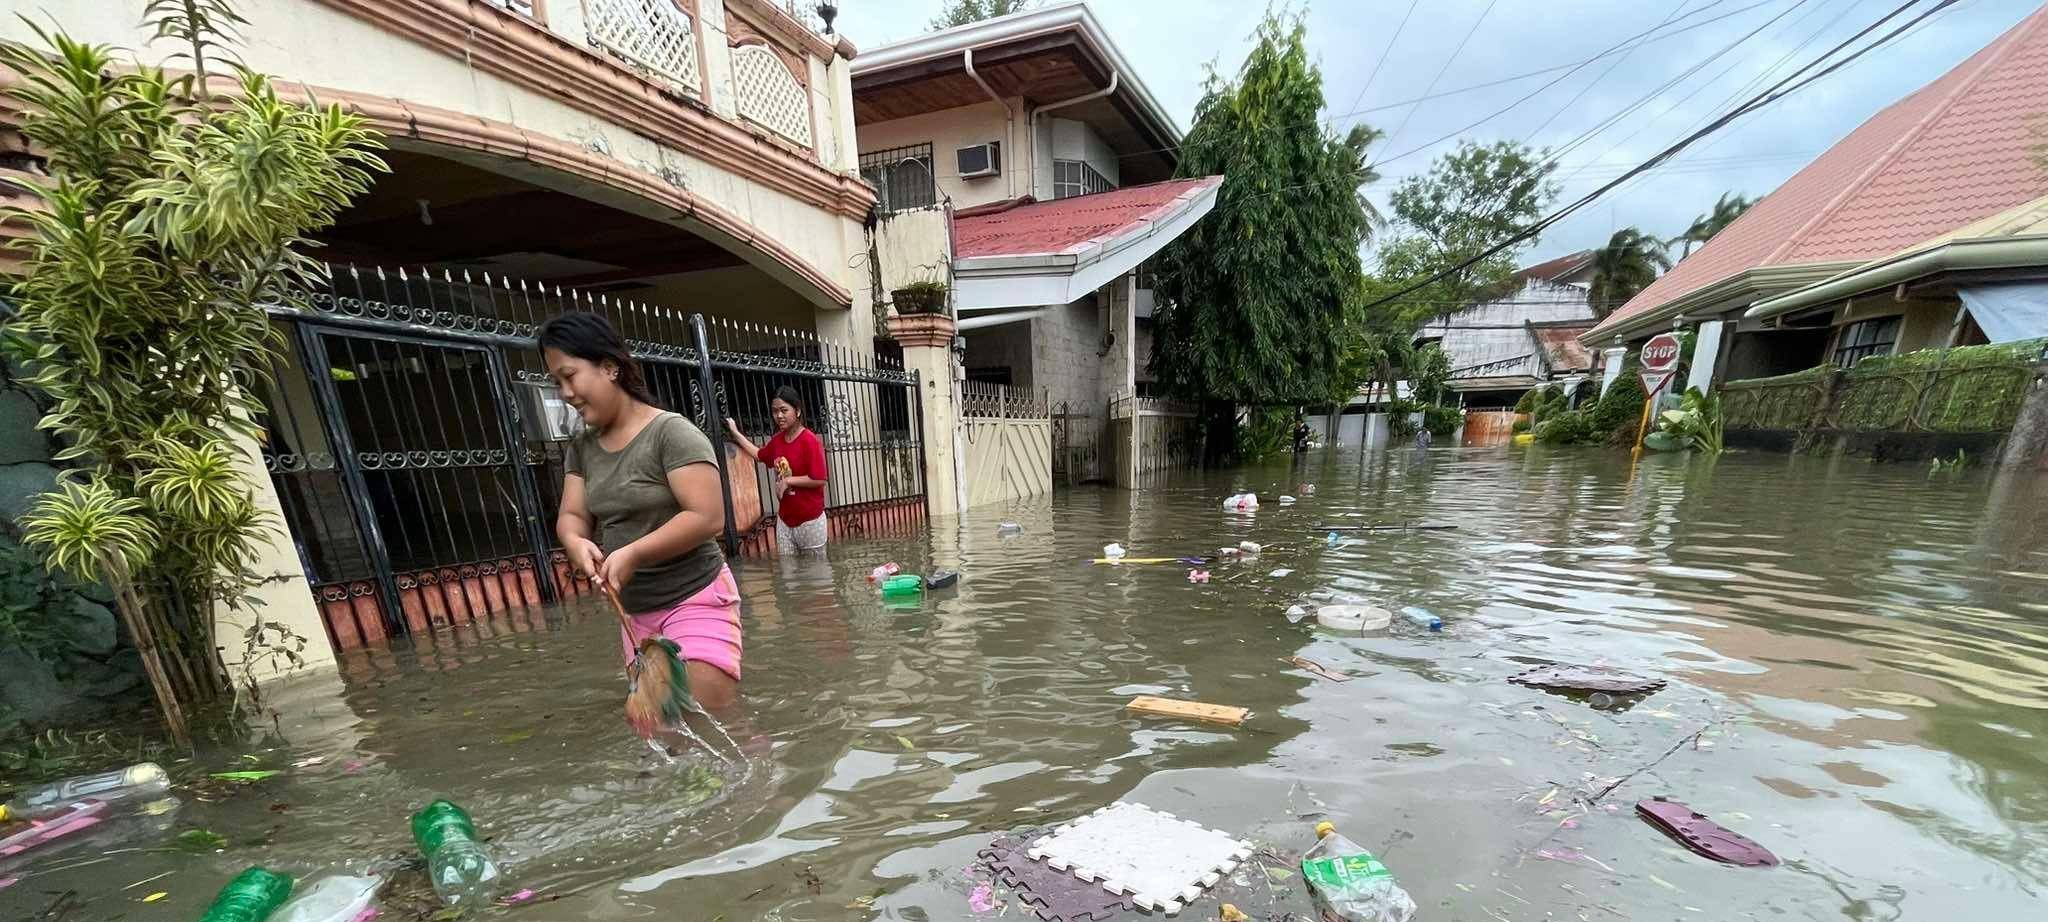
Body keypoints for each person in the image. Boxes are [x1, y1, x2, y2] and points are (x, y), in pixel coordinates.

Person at [542, 312, 741, 711]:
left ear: (610, 368)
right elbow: (573, 515)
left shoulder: (671, 433)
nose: (565, 392)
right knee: (661, 734)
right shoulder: (582, 448)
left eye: (570, 376)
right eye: (557, 382)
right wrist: (575, 542)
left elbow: (707, 517)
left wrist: (634, 552)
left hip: (695, 598)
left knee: (706, 723)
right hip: (634, 614)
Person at [725, 387, 829, 552]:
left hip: (810, 520)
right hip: (785, 520)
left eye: (784, 410)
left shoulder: (809, 441)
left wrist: (788, 481)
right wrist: (736, 434)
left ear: (797, 411)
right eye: (775, 411)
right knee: (787, 571)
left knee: (814, 572)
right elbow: (759, 455)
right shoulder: (777, 441)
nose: (779, 416)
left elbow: (820, 479)